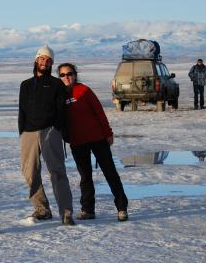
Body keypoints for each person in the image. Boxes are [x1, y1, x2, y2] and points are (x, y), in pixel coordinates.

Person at [58, 63, 128, 222]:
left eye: (69, 73)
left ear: (75, 75)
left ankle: (122, 207)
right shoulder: (59, 94)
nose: (66, 77)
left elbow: (99, 112)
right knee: (85, 176)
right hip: (77, 141)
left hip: (97, 138)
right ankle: (88, 210)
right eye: (62, 75)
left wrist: (108, 133)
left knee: (110, 172)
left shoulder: (85, 90)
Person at [18, 45, 74, 225]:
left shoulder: (57, 84)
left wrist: (58, 130)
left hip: (50, 130)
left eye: (48, 60)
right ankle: (42, 209)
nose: (45, 62)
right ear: (36, 60)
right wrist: (23, 133)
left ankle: (66, 212)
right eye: (42, 59)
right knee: (30, 172)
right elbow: (22, 111)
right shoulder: (25, 85)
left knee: (57, 171)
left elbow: (61, 111)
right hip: (29, 132)